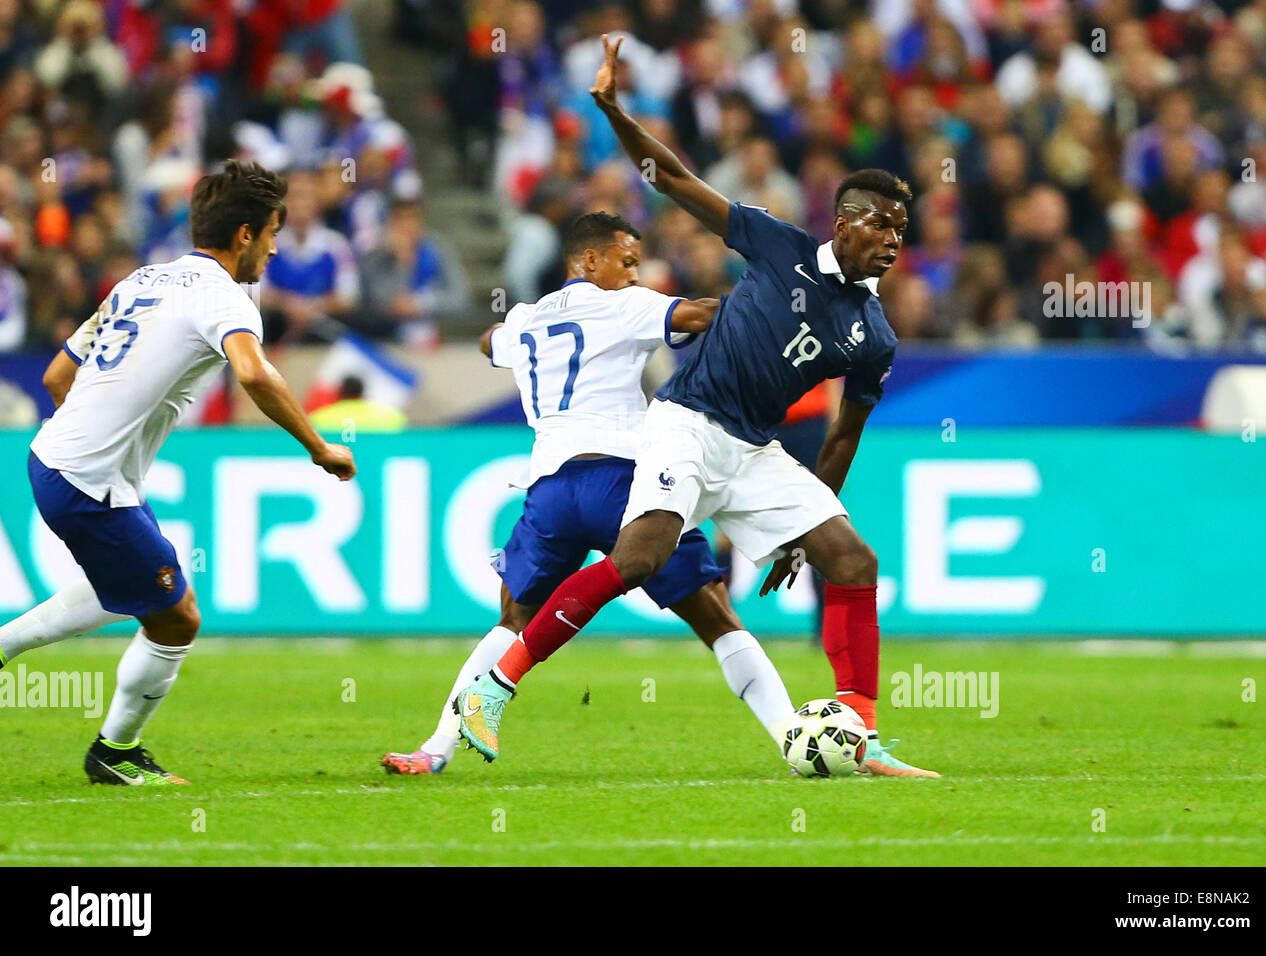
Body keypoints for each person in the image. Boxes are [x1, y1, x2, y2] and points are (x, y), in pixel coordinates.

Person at [457, 36, 939, 778]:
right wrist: (614, 114)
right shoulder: (778, 245)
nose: (893, 241)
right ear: (844, 221)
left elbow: (844, 433)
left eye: (903, 232)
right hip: (685, 424)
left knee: (851, 558)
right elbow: (675, 179)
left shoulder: (873, 333)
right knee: (637, 557)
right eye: (882, 225)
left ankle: (860, 730)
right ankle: (498, 682)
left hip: (754, 452)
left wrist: (804, 527)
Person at [380, 212, 794, 774]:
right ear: (589, 261)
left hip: (550, 489)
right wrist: (779, 293)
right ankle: (797, 741)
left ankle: (434, 749)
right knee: (718, 618)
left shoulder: (526, 317)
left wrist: (512, 335)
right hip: (624, 482)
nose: (634, 273)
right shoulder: (627, 304)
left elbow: (487, 342)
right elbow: (706, 316)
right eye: (625, 262)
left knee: (512, 620)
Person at [0, 160, 356, 785]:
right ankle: (114, 754)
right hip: (88, 483)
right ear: (245, 234)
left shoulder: (142, 279)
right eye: (272, 232)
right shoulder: (224, 296)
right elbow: (252, 372)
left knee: (137, 587)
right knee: (177, 616)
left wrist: (96, 435)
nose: (274, 249)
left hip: (54, 459)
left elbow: (59, 378)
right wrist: (318, 446)